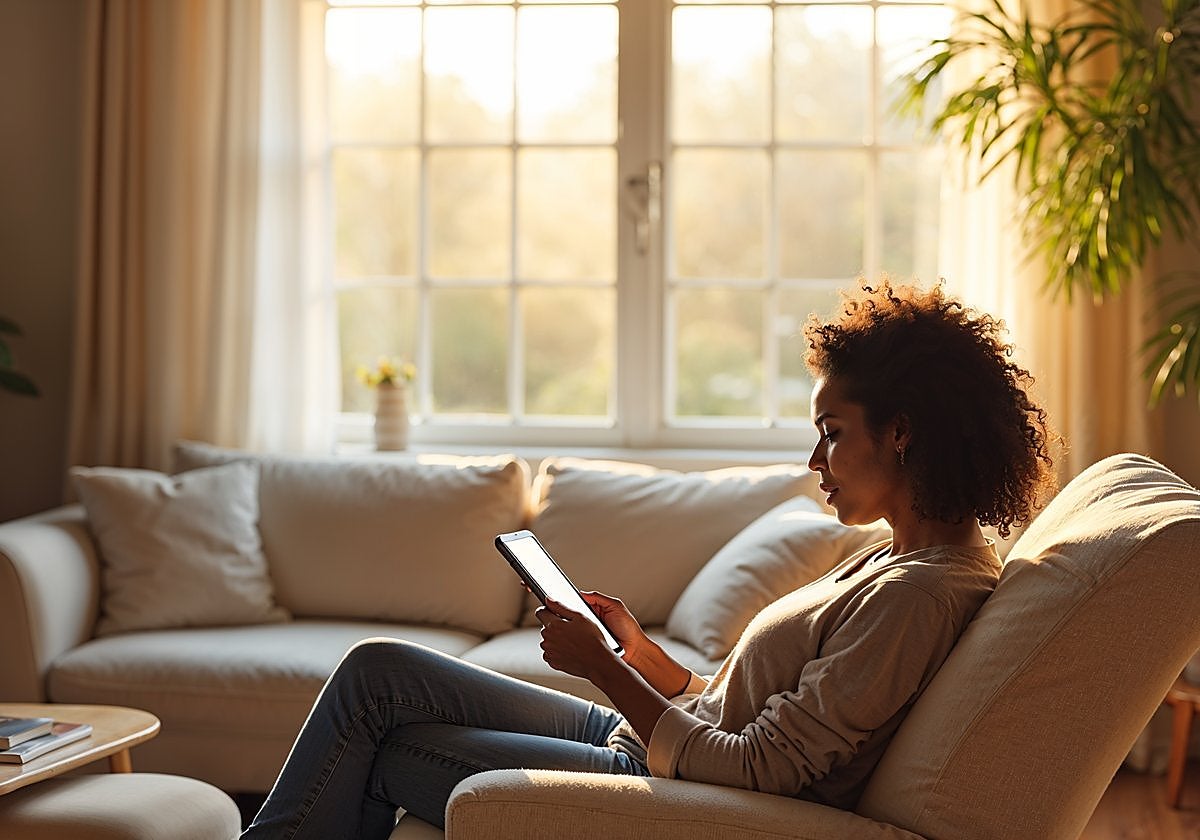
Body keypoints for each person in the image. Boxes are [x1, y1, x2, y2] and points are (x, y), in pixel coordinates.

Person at [241, 279, 1055, 839]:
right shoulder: (893, 558)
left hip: (661, 778)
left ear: (902, 432)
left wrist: (601, 668)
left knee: (383, 746)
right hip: (657, 736)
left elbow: (763, 768)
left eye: (833, 432)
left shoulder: (920, 596)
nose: (816, 458)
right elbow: (755, 706)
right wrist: (646, 659)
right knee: (377, 671)